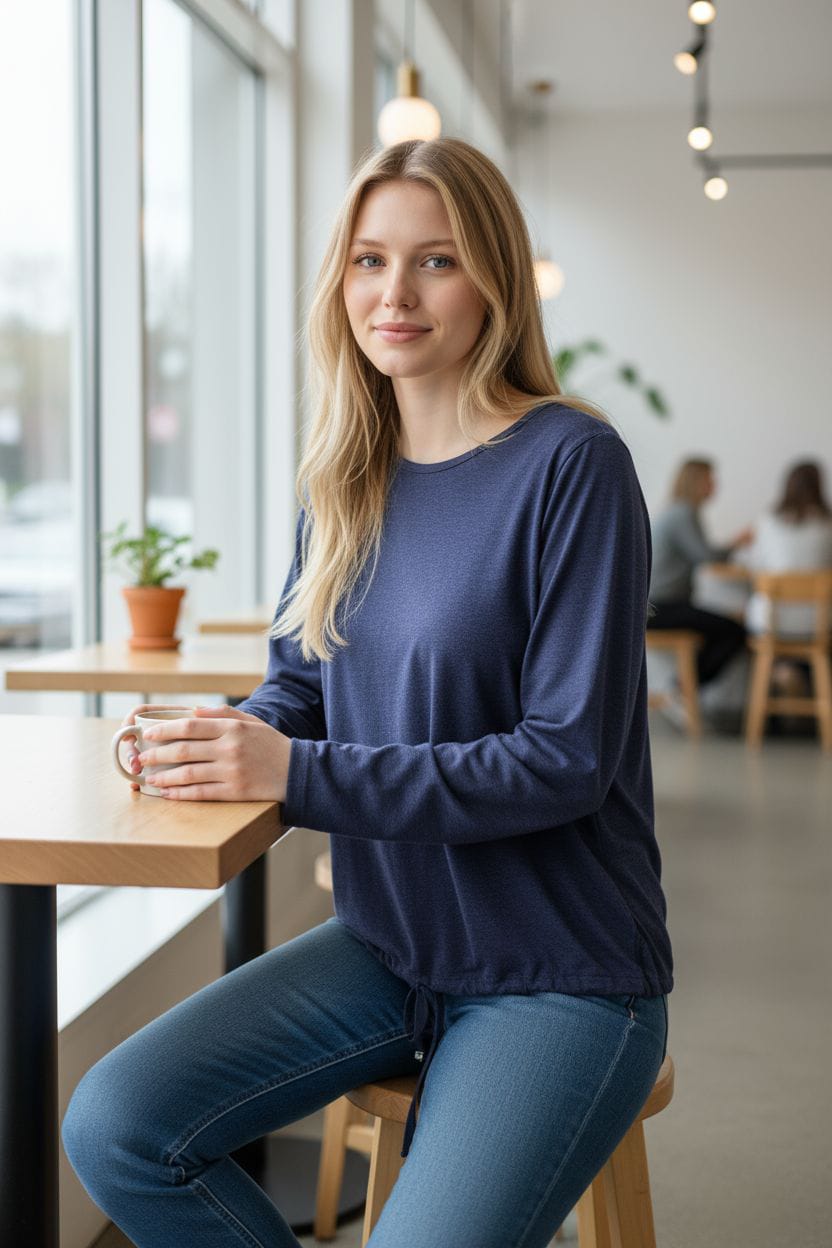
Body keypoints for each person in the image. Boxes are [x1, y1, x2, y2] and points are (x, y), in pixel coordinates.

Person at [62, 138, 672, 1248]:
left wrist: (293, 774)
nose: (393, 294)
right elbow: (301, 684)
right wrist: (229, 734)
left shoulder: (571, 465)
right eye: (367, 260)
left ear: (492, 278)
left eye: (435, 261)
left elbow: (567, 758)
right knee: (116, 1125)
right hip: (390, 946)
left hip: (558, 970)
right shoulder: (346, 475)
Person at [647, 458, 753, 724]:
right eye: (710, 479)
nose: (714, 486)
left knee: (728, 625)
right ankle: (680, 689)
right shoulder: (682, 514)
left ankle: (681, 688)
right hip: (658, 608)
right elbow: (707, 556)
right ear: (697, 482)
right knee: (735, 630)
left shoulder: (680, 512)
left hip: (661, 605)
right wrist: (738, 542)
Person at [744, 460, 832, 704]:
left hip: (771, 621)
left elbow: (755, 569)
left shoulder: (767, 522)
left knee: (745, 628)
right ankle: (803, 689)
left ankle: (781, 673)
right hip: (819, 621)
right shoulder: (827, 524)